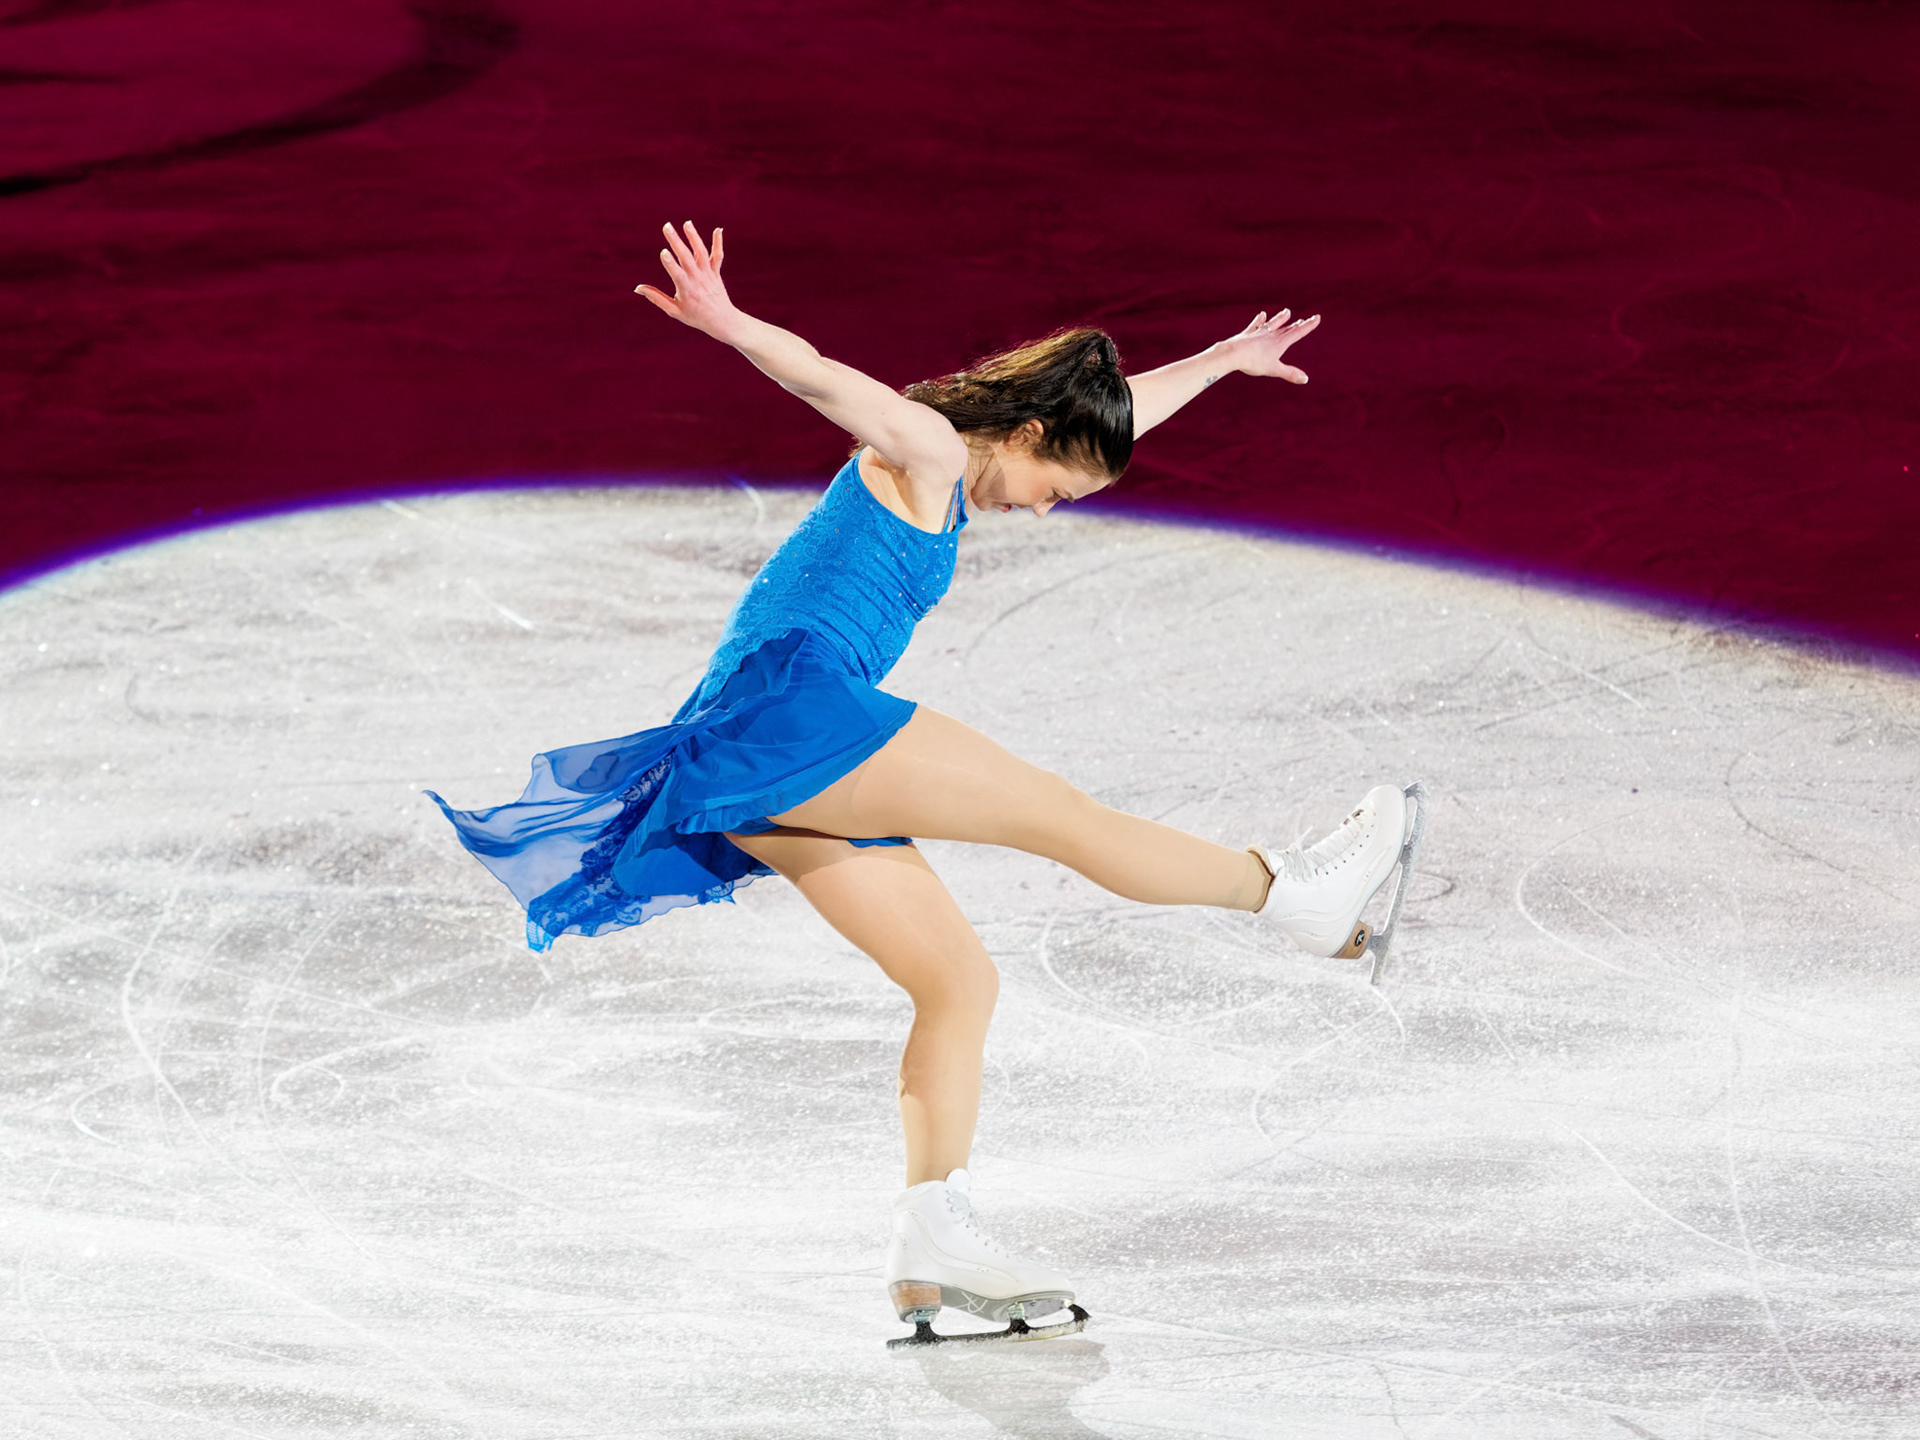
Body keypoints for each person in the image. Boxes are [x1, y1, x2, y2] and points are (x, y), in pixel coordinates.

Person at [430, 222, 1424, 1347]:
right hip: (793, 712)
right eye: (1055, 488)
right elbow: (825, 378)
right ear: (1030, 433)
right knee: (1060, 816)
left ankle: (931, 1248)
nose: (1044, 509)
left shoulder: (990, 454)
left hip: (751, 760)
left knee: (957, 984)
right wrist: (729, 322)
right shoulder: (935, 452)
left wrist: (1217, 363)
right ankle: (1295, 896)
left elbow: (1112, 413)